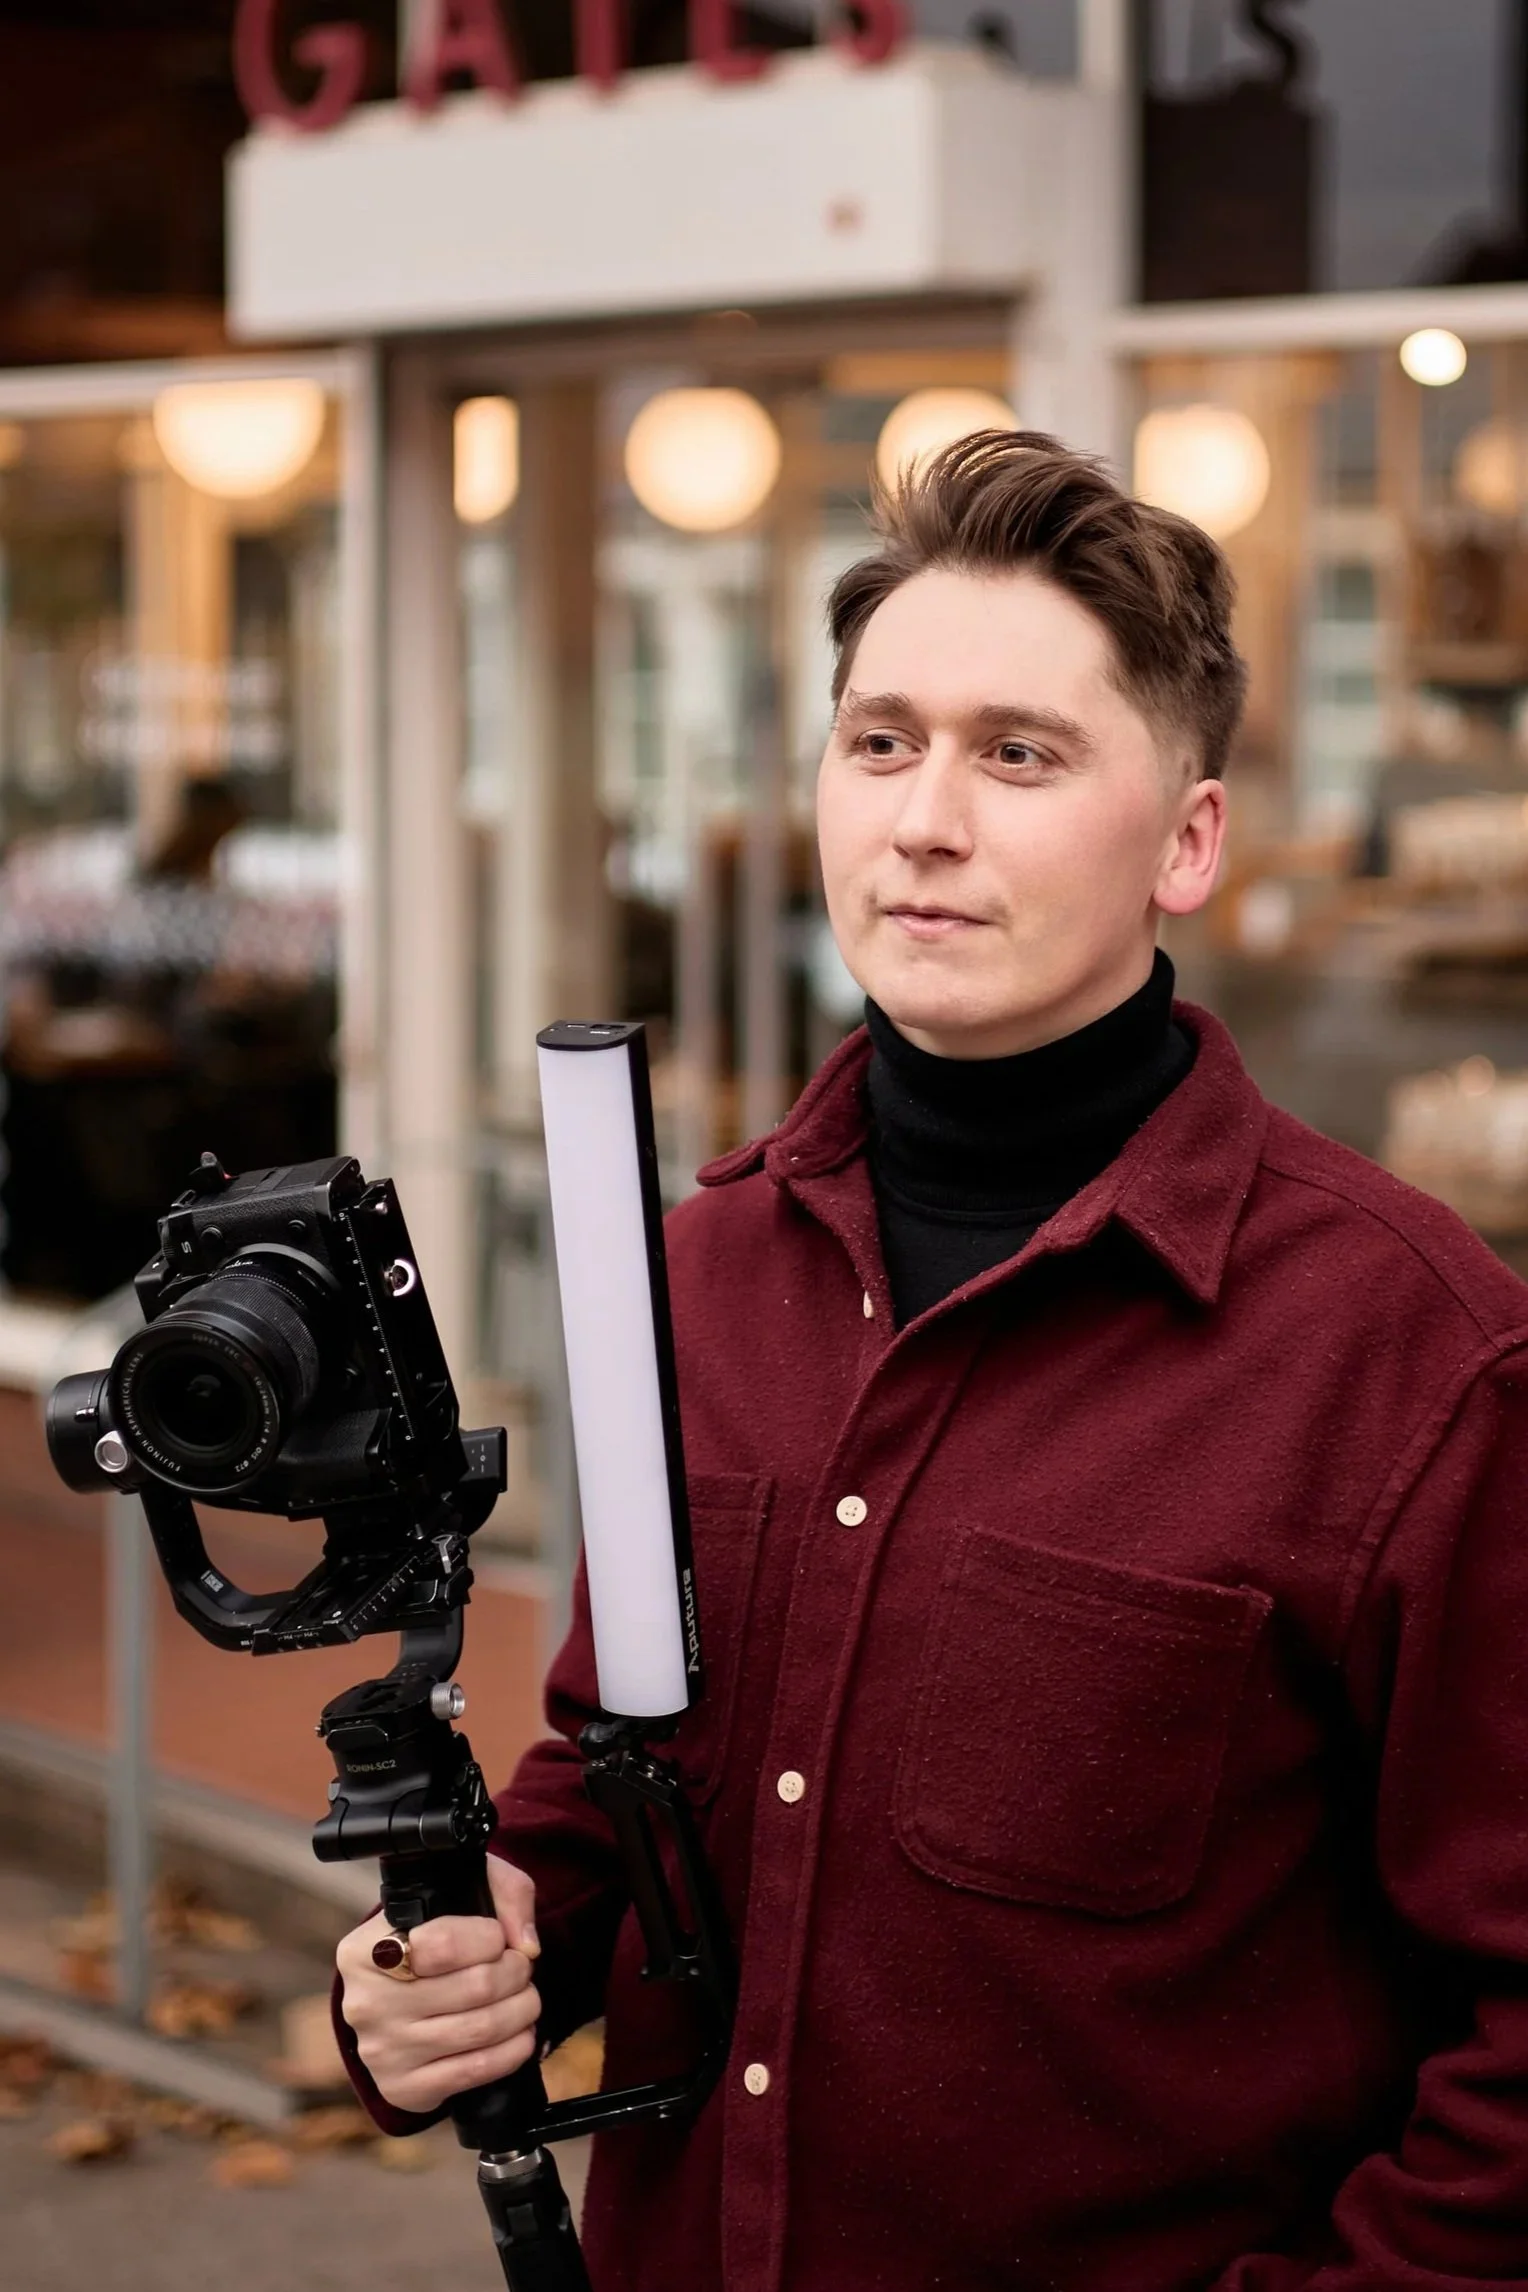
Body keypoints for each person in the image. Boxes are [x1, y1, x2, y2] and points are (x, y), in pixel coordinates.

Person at [334, 433, 1528, 2289]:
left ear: (1189, 840)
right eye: (879, 740)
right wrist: (481, 1951)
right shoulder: (700, 1266)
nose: (924, 820)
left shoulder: (1412, 1359)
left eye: (1020, 753)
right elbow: (622, 1763)